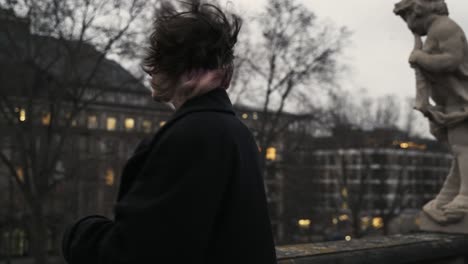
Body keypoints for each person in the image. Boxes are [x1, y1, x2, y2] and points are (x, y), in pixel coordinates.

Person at [62, 1, 277, 263]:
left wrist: (79, 233)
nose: (150, 72)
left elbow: (135, 254)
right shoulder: (238, 132)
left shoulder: (187, 137)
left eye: (158, 61)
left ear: (187, 72)